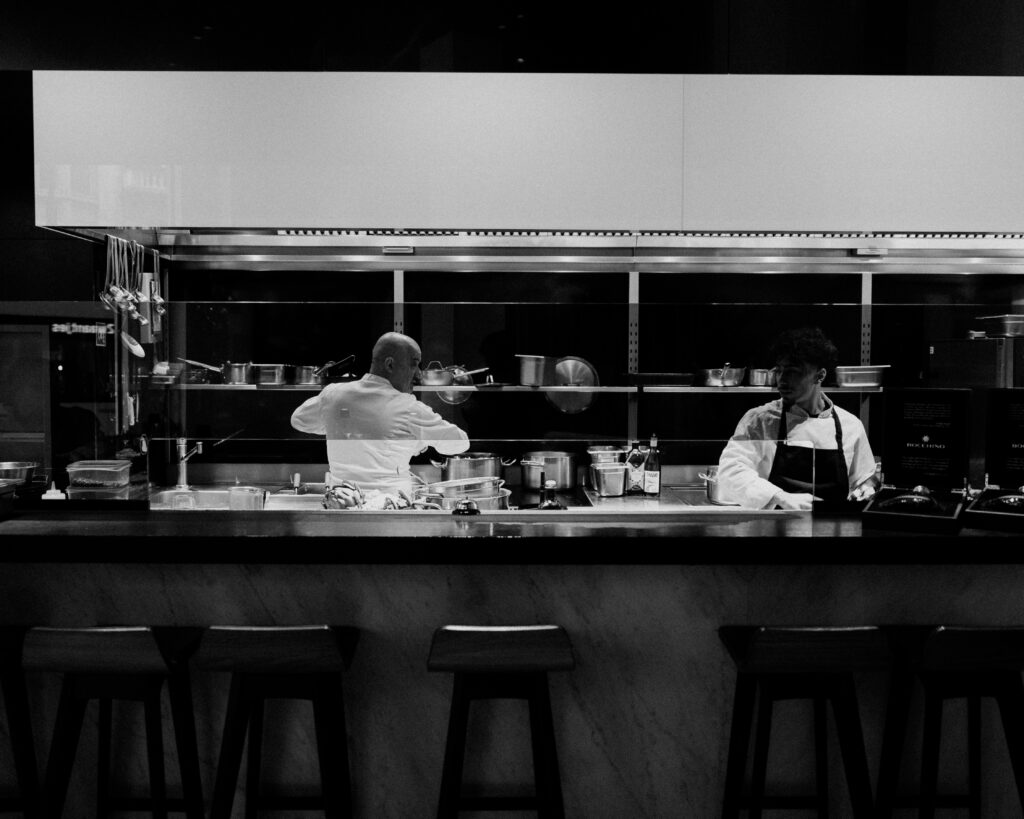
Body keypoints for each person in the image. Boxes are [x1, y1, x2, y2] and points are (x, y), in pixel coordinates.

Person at [290, 331, 470, 498]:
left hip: (342, 504)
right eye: (414, 364)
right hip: (389, 509)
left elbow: (299, 420)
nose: (418, 374)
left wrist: (340, 424)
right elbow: (459, 442)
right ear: (390, 364)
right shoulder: (408, 407)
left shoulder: (333, 395)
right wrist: (420, 440)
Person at [716, 327, 878, 510]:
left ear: (820, 376)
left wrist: (866, 489)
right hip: (775, 523)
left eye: (793, 371)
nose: (782, 380)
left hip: (832, 523)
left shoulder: (851, 426)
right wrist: (781, 497)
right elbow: (731, 471)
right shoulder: (760, 420)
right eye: (779, 371)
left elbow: (864, 480)